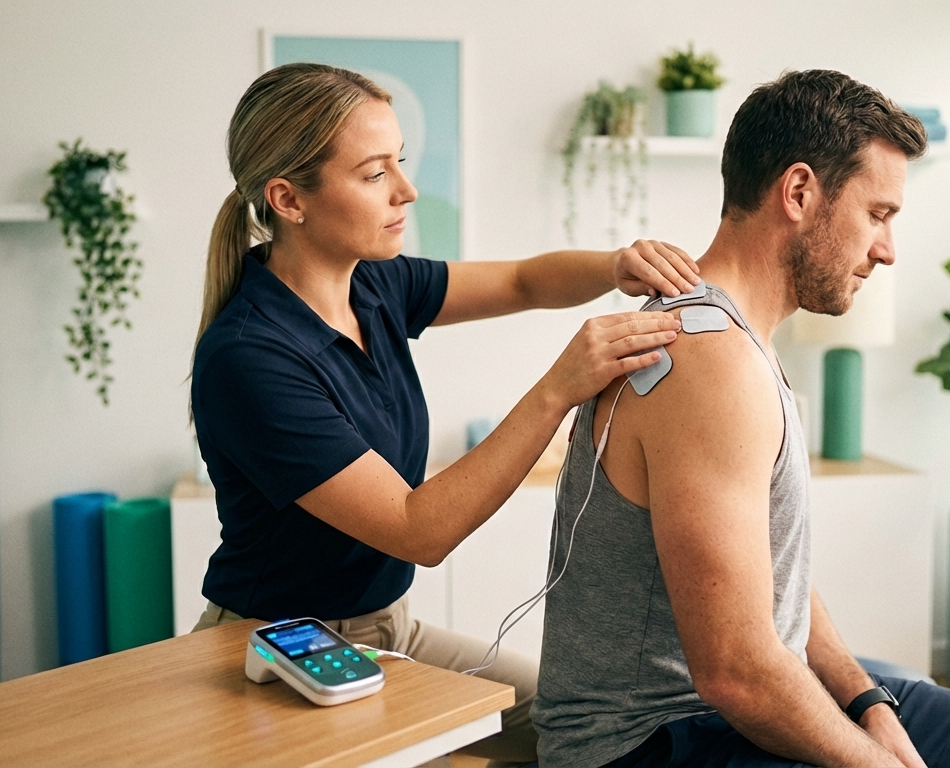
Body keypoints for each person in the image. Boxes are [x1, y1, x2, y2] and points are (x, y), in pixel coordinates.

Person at [531, 70, 950, 768]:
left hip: (722, 712)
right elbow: (735, 673)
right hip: (654, 741)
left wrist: (868, 703)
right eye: (879, 215)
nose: (887, 249)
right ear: (799, 193)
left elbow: (774, 579)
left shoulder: (738, 340)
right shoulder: (709, 360)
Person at [188, 62, 698, 764]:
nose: (406, 189)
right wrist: (558, 389)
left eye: (400, 162)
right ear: (288, 199)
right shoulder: (250, 357)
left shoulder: (375, 285)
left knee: (573, 723)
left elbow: (522, 280)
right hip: (280, 653)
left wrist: (615, 264)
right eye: (374, 174)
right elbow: (415, 529)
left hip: (387, 630)